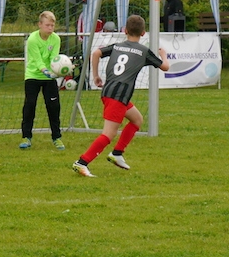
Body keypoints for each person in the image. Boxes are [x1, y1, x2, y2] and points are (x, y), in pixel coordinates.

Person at [72, 15, 169, 177]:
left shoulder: (117, 46)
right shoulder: (143, 51)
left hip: (110, 92)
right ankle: (82, 162)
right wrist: (163, 54)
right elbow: (165, 67)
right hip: (118, 96)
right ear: (143, 33)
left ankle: (117, 153)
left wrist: (95, 76)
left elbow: (96, 53)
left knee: (137, 120)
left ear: (125, 31)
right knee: (108, 134)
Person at [19, 11, 64, 151]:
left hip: (49, 77)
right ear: (40, 24)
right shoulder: (32, 39)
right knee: (30, 105)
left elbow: (54, 58)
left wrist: (59, 69)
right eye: (47, 25)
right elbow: (38, 60)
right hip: (33, 75)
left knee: (53, 106)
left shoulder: (56, 39)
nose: (50, 28)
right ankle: (26, 137)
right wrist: (45, 70)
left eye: (52, 25)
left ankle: (57, 137)